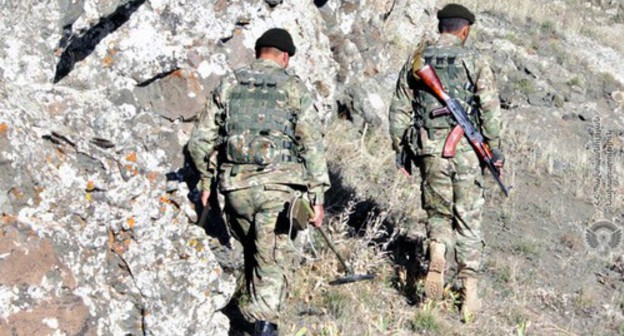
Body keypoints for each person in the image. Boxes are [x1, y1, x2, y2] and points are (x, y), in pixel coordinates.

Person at [187, 28, 330, 336]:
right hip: (278, 192)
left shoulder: (229, 83)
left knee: (257, 255)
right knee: (273, 262)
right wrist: (318, 197)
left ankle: (249, 321)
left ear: (257, 52)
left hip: (235, 191)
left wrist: (207, 182)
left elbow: (199, 143)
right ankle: (262, 327)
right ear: (285, 57)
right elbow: (312, 145)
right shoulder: (293, 88)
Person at [388, 4, 504, 322]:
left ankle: (438, 251)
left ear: (441, 26)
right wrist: (495, 152)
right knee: (468, 220)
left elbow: (400, 106)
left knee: (438, 213)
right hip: (466, 152)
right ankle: (470, 292)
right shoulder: (475, 59)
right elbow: (490, 111)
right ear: (465, 30)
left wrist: (401, 149)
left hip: (429, 150)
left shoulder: (418, 59)